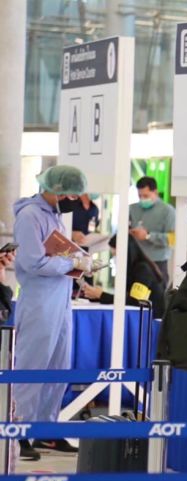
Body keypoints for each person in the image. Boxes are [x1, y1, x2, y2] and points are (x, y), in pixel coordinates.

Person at [13, 165, 98, 460]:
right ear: (57, 190)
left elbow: (58, 256)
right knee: (31, 368)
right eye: (71, 193)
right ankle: (18, 432)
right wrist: (71, 261)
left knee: (57, 369)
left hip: (60, 300)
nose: (75, 198)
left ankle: (45, 431)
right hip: (38, 302)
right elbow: (33, 263)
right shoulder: (29, 217)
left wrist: (79, 263)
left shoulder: (55, 217)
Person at [80, 234, 167, 317]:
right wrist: (96, 295)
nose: (114, 258)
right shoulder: (131, 271)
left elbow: (135, 301)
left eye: (115, 254)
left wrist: (101, 295)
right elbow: (125, 299)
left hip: (151, 321)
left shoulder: (142, 269)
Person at [129, 176, 175, 287]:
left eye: (146, 196)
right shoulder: (132, 209)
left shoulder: (167, 211)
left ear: (155, 192)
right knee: (132, 301)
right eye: (139, 196)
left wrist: (148, 236)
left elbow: (171, 240)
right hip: (135, 263)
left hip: (157, 263)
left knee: (156, 300)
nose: (142, 199)